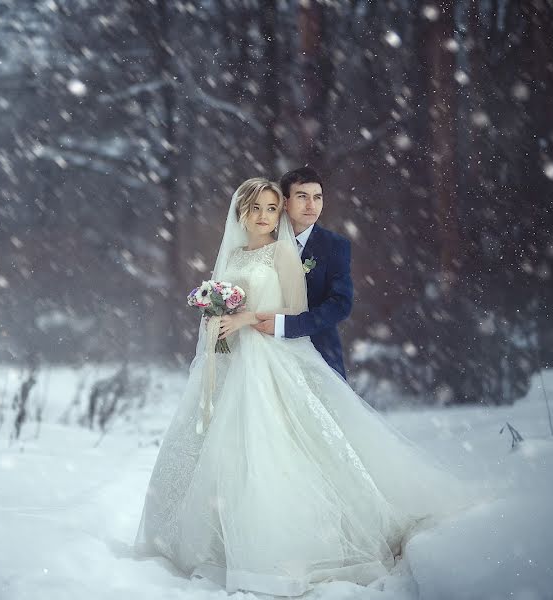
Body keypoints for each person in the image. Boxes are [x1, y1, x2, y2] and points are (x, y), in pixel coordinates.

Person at [134, 177, 477, 597]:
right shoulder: (235, 254)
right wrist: (216, 320)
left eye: (271, 209)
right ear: (240, 213)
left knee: (280, 444)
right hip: (233, 360)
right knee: (227, 448)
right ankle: (222, 542)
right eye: (255, 209)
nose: (263, 216)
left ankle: (298, 540)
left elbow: (294, 307)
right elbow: (226, 302)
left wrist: (245, 319)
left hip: (270, 356)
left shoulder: (282, 252)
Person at [252, 166, 352, 379]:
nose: (311, 205)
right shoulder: (262, 239)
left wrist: (288, 326)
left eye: (317, 197)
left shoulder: (334, 245)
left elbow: (340, 304)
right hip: (260, 354)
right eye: (302, 196)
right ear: (285, 203)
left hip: (318, 355)